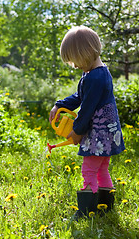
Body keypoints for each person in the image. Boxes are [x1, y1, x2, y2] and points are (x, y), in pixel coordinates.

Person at [49, 26, 125, 220]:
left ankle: (86, 211)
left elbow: (87, 109)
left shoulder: (96, 77)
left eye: (75, 60)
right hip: (107, 133)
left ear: (85, 53)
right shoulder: (95, 73)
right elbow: (80, 97)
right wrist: (60, 105)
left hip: (99, 134)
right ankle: (105, 207)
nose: (74, 65)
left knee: (89, 169)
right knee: (101, 168)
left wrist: (77, 131)